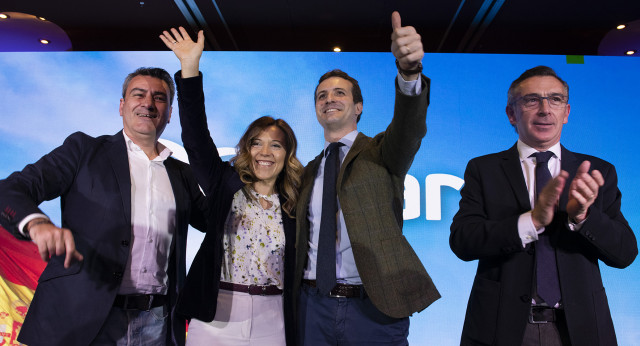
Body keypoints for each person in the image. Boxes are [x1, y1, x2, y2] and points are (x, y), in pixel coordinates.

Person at [0, 67, 208, 345]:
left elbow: (215, 221)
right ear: (122, 106)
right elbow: (11, 189)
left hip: (158, 322)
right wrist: (37, 223)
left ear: (170, 113)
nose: (148, 103)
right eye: (139, 95)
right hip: (81, 318)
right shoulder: (83, 151)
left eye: (159, 98)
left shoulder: (183, 174)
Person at [450, 65, 637, 345]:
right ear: (511, 114)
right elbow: (463, 242)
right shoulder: (484, 169)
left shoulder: (598, 171)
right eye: (531, 100)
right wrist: (533, 220)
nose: (544, 109)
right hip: (503, 328)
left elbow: (625, 254)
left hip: (580, 329)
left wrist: (583, 216)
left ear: (567, 113)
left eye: (555, 99)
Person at [294, 11, 440, 345]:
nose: (329, 99)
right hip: (311, 309)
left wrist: (409, 71)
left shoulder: (382, 153)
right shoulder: (306, 172)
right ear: (317, 110)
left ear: (358, 107)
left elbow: (409, 126)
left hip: (373, 311)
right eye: (322, 95)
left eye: (339, 93)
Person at [160, 27, 303, 345]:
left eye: (276, 145)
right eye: (257, 143)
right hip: (216, 318)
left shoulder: (297, 201)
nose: (265, 152)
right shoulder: (224, 183)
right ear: (246, 148)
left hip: (275, 320)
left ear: (287, 154)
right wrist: (190, 69)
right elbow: (195, 137)